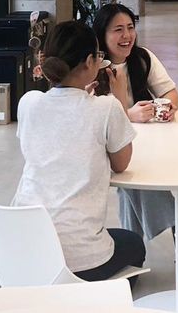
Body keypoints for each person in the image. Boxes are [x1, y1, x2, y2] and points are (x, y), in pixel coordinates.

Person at [12, 20, 146, 281]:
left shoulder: (28, 103)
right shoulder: (105, 108)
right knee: (133, 244)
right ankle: (90, 296)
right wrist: (117, 99)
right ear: (89, 62)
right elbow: (121, 163)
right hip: (82, 258)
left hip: (23, 253)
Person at [93, 3, 178, 248]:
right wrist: (128, 115)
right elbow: (96, 118)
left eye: (130, 27)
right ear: (102, 35)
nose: (127, 36)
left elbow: (171, 94)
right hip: (108, 145)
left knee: (132, 182)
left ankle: (134, 251)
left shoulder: (142, 58)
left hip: (142, 142)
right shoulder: (92, 69)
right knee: (133, 172)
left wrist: (168, 107)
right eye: (118, 30)